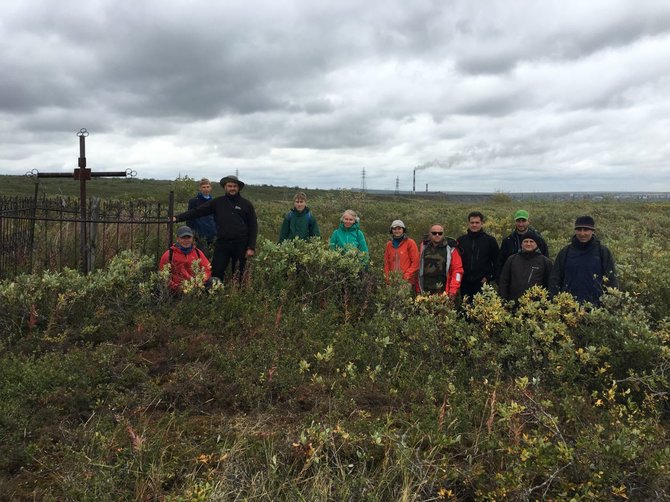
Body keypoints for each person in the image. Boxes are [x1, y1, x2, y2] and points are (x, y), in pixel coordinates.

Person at [174, 175, 257, 282]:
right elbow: (198, 211)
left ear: (238, 188)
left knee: (240, 273)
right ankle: (216, 293)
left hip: (241, 244)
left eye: (235, 186)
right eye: (229, 186)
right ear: (225, 187)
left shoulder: (246, 204)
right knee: (216, 271)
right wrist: (177, 218)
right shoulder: (218, 202)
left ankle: (237, 294)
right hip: (222, 243)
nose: (232, 188)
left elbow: (253, 226)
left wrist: (251, 247)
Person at [549, 215, 619, 304]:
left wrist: (611, 302)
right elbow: (555, 279)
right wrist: (553, 301)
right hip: (568, 306)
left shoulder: (602, 252)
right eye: (579, 230)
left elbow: (611, 279)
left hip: (596, 307)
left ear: (593, 231)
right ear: (575, 231)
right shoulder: (565, 252)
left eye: (586, 230)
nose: (582, 233)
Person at [498, 233, 553, 302]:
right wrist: (503, 301)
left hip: (536, 306)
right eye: (525, 241)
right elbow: (504, 282)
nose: (528, 244)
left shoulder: (545, 262)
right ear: (521, 244)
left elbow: (550, 284)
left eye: (531, 241)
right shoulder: (512, 259)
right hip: (513, 303)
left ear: (537, 244)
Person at [457, 211, 499, 299]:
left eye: (477, 222)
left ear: (482, 223)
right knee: (466, 308)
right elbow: (456, 262)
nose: (474, 225)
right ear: (468, 223)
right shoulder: (461, 240)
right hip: (465, 283)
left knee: (483, 310)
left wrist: (488, 277)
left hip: (482, 282)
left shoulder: (490, 241)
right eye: (472, 222)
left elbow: (497, 262)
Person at [496, 209, 549, 279]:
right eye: (518, 221)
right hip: (512, 281)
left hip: (534, 280)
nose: (521, 224)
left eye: (523, 221)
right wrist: (500, 281)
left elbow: (545, 262)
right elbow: (501, 263)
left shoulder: (539, 240)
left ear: (528, 221)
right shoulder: (508, 241)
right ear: (515, 222)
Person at [159, 226, 212, 293]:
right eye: (183, 238)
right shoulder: (169, 254)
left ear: (192, 238)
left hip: (195, 286)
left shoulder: (197, 252)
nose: (186, 241)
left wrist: (200, 281)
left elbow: (207, 269)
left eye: (189, 238)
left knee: (214, 281)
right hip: (176, 289)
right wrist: (176, 287)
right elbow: (162, 274)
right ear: (177, 239)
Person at [417, 224, 463, 297]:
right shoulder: (423, 247)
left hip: (444, 292)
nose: (437, 235)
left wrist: (453, 290)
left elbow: (457, 271)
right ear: (429, 234)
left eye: (440, 233)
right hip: (425, 291)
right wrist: (418, 289)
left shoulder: (451, 249)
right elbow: (418, 268)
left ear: (443, 234)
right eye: (434, 233)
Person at [383, 219, 419, 288]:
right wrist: (387, 279)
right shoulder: (389, 244)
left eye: (399, 228)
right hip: (392, 282)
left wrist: (406, 276)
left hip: (406, 282)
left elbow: (416, 263)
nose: (397, 231)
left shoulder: (410, 243)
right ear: (391, 230)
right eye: (394, 229)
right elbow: (386, 263)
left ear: (403, 230)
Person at [187, 178, 217, 257]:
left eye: (207, 187)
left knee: (214, 256)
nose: (206, 189)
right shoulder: (194, 201)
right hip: (200, 234)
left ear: (210, 188)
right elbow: (189, 218)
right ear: (200, 188)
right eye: (204, 187)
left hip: (213, 234)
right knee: (203, 256)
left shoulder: (214, 201)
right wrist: (191, 234)